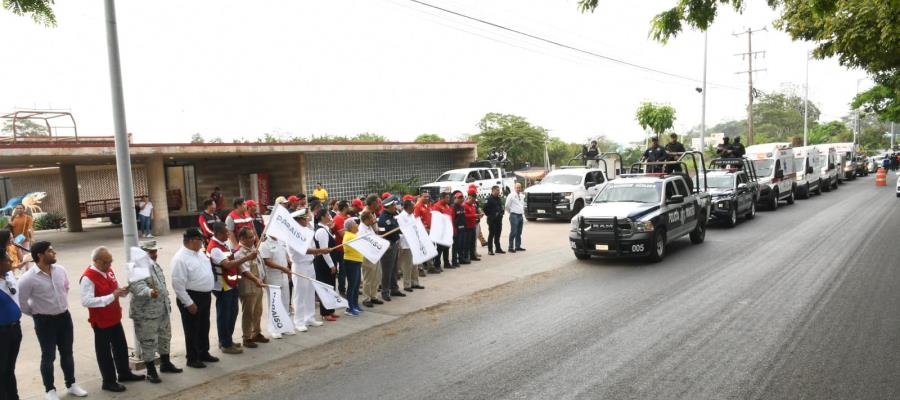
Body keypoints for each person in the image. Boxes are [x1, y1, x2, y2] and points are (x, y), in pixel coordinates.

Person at [18, 241, 89, 400]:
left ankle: (71, 384)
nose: (54, 252)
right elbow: (22, 304)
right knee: (48, 356)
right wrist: (38, 314)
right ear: (40, 255)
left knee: (67, 353)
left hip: (64, 317)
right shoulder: (27, 279)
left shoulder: (60, 270)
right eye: (50, 251)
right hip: (44, 322)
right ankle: (50, 389)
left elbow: (65, 288)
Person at [80, 247, 145, 392]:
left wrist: (122, 291)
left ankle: (124, 373)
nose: (109, 265)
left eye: (110, 261)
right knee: (104, 353)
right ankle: (108, 381)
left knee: (121, 347)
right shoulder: (88, 277)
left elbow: (113, 290)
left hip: (114, 316)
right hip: (101, 321)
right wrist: (112, 296)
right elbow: (86, 301)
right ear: (96, 261)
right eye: (106, 262)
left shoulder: (108, 270)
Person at [128, 240, 182, 385]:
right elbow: (137, 287)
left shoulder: (153, 264)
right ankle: (151, 371)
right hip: (146, 314)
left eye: (155, 251)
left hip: (161, 309)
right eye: (151, 252)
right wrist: (149, 292)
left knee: (165, 336)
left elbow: (162, 285)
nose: (154, 254)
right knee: (148, 341)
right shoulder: (137, 267)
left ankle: (165, 363)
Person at [171, 228, 219, 369]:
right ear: (191, 241)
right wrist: (188, 303)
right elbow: (177, 284)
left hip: (204, 295)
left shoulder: (199, 253)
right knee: (192, 329)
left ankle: (203, 352)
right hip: (191, 296)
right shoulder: (180, 258)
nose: (203, 242)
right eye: (200, 240)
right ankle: (192, 358)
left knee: (204, 326)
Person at [208, 222, 257, 355]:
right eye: (225, 232)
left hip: (231, 283)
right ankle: (225, 343)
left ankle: (227, 339)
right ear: (217, 233)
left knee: (232, 313)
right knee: (224, 315)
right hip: (223, 286)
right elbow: (228, 265)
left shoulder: (224, 244)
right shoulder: (215, 248)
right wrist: (246, 257)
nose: (228, 234)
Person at [289, 208, 332, 331]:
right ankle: (299, 321)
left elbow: (312, 247)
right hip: (299, 265)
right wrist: (321, 250)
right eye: (305, 218)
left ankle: (310, 318)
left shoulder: (307, 231)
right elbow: (304, 249)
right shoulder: (292, 233)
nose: (308, 219)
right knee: (300, 294)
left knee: (310, 292)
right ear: (299, 219)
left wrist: (319, 251)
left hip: (309, 264)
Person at [234, 227, 268, 348]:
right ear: (242, 239)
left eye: (253, 236)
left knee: (258, 311)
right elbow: (245, 271)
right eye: (250, 237)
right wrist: (256, 280)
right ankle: (247, 337)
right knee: (248, 312)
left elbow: (260, 265)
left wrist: (263, 278)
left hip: (258, 285)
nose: (253, 239)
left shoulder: (253, 248)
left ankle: (257, 333)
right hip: (248, 286)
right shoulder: (239, 252)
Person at [258, 231, 293, 339]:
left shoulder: (281, 240)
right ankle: (274, 328)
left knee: (285, 300)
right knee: (274, 302)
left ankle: (284, 326)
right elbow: (267, 261)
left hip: (283, 274)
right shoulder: (265, 243)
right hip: (272, 276)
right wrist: (283, 268)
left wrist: (289, 265)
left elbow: (285, 256)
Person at [0, 231, 23, 400]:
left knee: (9, 368)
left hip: (15, 329)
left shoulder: (8, 276)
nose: (10, 261)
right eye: (6, 259)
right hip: (2, 333)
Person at [313, 209, 339, 321]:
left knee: (331, 286)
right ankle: (325, 312)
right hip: (324, 262)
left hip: (329, 260)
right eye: (328, 215)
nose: (330, 216)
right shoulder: (321, 231)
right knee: (326, 287)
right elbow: (324, 251)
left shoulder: (325, 228)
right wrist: (331, 265)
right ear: (322, 217)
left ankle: (330, 310)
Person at [378, 196, 404, 300]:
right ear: (388, 207)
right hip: (387, 245)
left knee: (394, 268)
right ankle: (385, 292)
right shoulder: (383, 218)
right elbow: (382, 233)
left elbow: (398, 228)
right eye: (393, 205)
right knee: (387, 270)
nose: (395, 207)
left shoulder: (392, 215)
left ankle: (394, 289)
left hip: (394, 243)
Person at [397, 200, 424, 293]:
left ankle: (415, 282)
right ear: (408, 207)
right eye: (413, 206)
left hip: (414, 242)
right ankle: (407, 284)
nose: (414, 208)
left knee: (415, 264)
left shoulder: (412, 215)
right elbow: (402, 231)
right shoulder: (401, 217)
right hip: (406, 244)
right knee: (407, 265)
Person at [359, 210, 382, 308]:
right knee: (368, 278)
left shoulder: (369, 227)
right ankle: (366, 298)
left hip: (375, 254)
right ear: (366, 219)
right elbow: (364, 243)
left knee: (376, 276)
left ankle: (373, 296)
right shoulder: (361, 229)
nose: (374, 219)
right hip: (368, 256)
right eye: (371, 217)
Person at [341, 218, 364, 316]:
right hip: (351, 262)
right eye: (355, 224)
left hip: (357, 261)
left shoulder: (354, 235)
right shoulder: (349, 236)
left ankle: (354, 304)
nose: (357, 225)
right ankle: (349, 308)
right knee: (352, 285)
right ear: (351, 226)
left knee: (356, 284)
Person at [430, 192, 453, 272]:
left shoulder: (447, 205)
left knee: (446, 246)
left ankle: (446, 262)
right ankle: (437, 264)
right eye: (447, 197)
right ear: (442, 198)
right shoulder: (437, 206)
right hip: (440, 230)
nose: (448, 199)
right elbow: (436, 219)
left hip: (446, 230)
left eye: (448, 197)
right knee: (439, 248)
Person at [331, 201, 349, 296]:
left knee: (345, 270)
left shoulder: (347, 217)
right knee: (342, 271)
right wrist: (351, 230)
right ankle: (341, 290)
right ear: (345, 207)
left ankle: (345, 289)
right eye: (348, 206)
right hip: (339, 249)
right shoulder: (338, 218)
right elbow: (342, 234)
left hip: (346, 248)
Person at [484, 185, 505, 255]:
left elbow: (500, 207)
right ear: (493, 191)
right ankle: (490, 250)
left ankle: (498, 248)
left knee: (498, 234)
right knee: (491, 234)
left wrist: (502, 212)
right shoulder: (488, 199)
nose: (499, 192)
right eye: (497, 190)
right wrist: (492, 215)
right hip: (492, 220)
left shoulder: (498, 198)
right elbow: (485, 209)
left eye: (499, 190)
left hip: (499, 220)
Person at [506, 183, 525, 253]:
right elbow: (507, 206)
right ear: (514, 188)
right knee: (513, 232)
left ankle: (518, 246)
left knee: (519, 232)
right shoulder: (511, 196)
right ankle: (510, 247)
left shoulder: (522, 196)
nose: (518, 189)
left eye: (519, 187)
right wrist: (511, 212)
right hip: (514, 215)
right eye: (517, 187)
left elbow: (522, 205)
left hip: (520, 215)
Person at [451, 192, 467, 266]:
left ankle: (461, 259)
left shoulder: (462, 207)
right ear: (455, 199)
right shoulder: (453, 207)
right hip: (457, 230)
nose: (461, 199)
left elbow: (463, 217)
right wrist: (454, 230)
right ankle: (454, 261)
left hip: (463, 228)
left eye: (461, 198)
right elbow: (452, 219)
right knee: (456, 246)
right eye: (459, 198)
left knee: (462, 245)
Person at [463, 193, 480, 262]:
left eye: (474, 200)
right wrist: (474, 215)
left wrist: (478, 216)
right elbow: (465, 216)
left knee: (473, 242)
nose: (473, 202)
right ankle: (466, 256)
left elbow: (473, 215)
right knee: (467, 243)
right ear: (469, 198)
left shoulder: (472, 205)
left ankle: (473, 256)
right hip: (467, 227)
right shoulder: (464, 205)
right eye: (472, 200)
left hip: (473, 226)